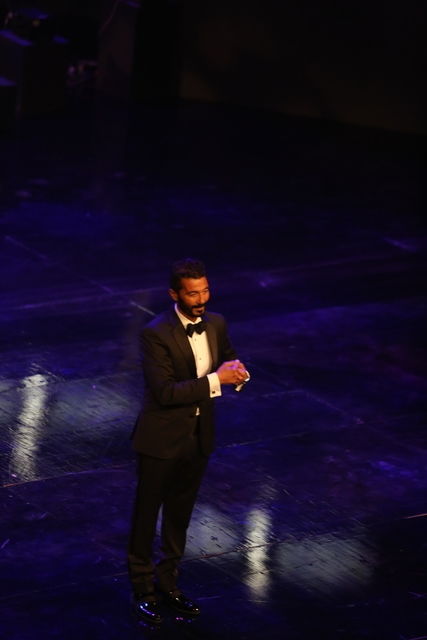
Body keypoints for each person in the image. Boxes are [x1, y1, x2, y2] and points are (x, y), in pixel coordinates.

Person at [128, 257, 249, 624]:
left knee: (180, 515)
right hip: (161, 439)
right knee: (147, 516)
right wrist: (217, 381)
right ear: (174, 294)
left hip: (198, 437)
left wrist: (239, 373)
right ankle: (143, 589)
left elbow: (228, 359)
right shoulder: (155, 333)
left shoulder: (216, 323)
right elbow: (165, 392)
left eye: (205, 291)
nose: (202, 299)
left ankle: (169, 583)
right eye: (193, 293)